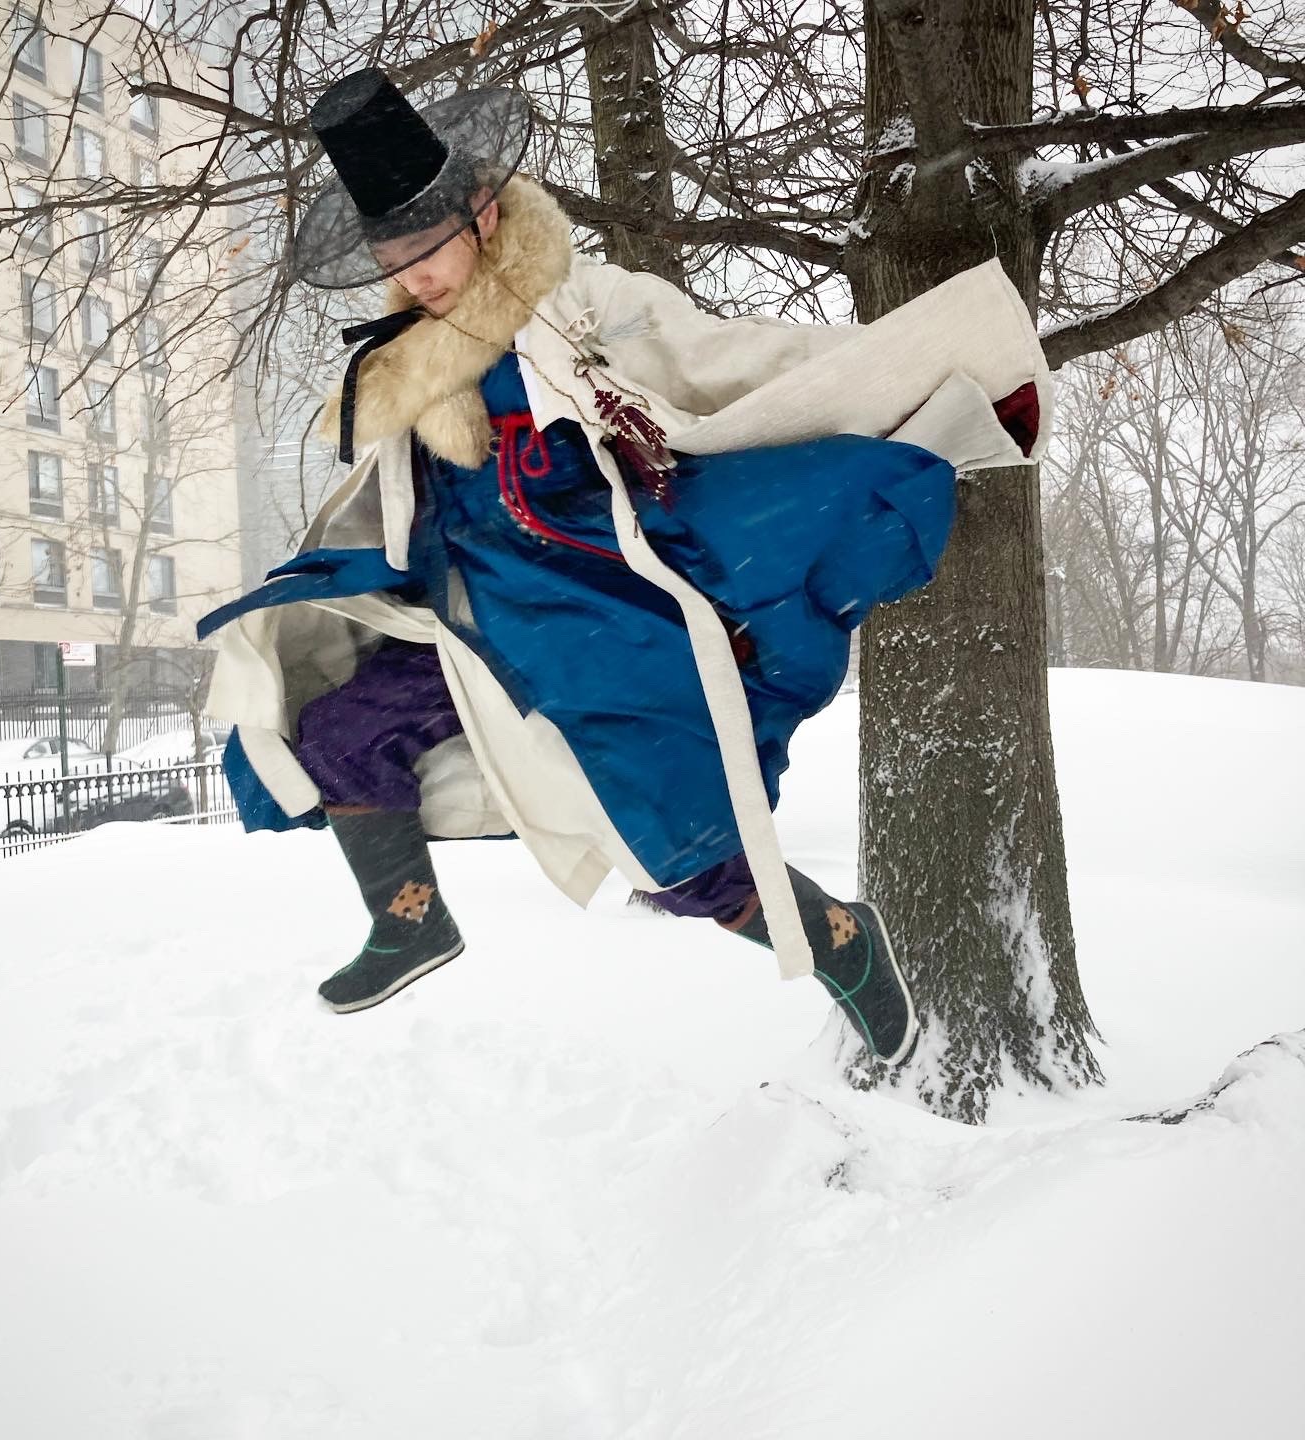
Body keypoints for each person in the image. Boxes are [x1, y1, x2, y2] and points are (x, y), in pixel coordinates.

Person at [200, 67, 1052, 1066]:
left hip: (600, 626)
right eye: (398, 255)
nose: (418, 274)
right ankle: (410, 919)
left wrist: (896, 375)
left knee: (677, 855)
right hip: (469, 625)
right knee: (336, 725)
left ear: (480, 212)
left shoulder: (586, 310)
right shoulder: (407, 365)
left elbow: (734, 362)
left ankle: (839, 940)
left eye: (429, 247)